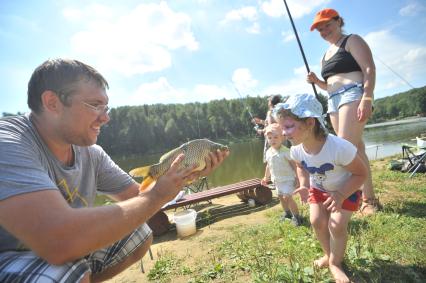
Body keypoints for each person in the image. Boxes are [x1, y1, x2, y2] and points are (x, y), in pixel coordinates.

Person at [0, 58, 228, 282]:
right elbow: (58, 241)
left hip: (56, 250)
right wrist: (157, 195)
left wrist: (185, 175)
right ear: (52, 103)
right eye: (95, 105)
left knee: (138, 234)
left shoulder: (91, 153)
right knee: (65, 273)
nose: (105, 117)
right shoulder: (8, 142)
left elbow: (139, 197)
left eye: (105, 107)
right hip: (9, 256)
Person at [273, 93, 367, 283]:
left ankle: (336, 263)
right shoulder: (296, 149)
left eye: (289, 126)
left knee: (337, 225)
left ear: (310, 123)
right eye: (283, 128)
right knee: (316, 221)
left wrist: (340, 194)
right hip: (318, 188)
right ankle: (328, 254)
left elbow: (361, 173)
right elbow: (300, 166)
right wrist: (304, 184)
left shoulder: (339, 148)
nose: (284, 133)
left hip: (345, 189)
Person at [306, 8, 381, 216]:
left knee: (345, 149)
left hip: (353, 94)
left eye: (327, 25)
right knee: (356, 148)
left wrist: (367, 96)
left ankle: (358, 200)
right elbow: (329, 85)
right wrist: (317, 82)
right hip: (333, 100)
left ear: (338, 21)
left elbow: (368, 69)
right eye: (320, 29)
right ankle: (369, 198)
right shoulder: (325, 55)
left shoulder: (352, 40)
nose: (324, 31)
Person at [260, 123, 302, 226]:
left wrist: (298, 178)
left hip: (288, 179)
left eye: (275, 137)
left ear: (282, 137)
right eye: (269, 138)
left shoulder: (286, 151)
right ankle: (287, 213)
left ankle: (296, 216)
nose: (272, 140)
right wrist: (266, 177)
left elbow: (294, 165)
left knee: (288, 197)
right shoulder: (269, 152)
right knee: (280, 196)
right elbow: (268, 166)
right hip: (277, 180)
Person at [251, 94, 282, 162]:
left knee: (270, 161)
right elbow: (273, 123)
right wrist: (259, 121)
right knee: (282, 159)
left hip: (272, 140)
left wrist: (261, 131)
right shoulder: (281, 111)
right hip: (281, 139)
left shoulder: (270, 112)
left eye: (269, 101)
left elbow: (271, 127)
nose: (268, 103)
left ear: (271, 103)